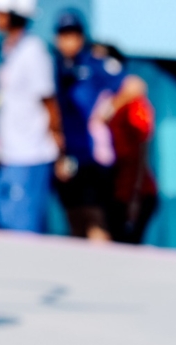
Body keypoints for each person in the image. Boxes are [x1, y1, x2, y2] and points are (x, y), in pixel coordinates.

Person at [0, 0, 64, 233]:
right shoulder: (11, 50)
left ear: (13, 15)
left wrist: (59, 148)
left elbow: (49, 102)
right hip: (11, 155)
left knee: (24, 235)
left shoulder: (33, 51)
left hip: (30, 156)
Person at [52, 8, 124, 241]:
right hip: (67, 158)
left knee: (95, 219)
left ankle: (104, 274)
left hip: (94, 158)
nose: (68, 40)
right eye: (63, 34)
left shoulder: (95, 64)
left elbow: (134, 85)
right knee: (75, 219)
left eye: (72, 33)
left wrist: (108, 110)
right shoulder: (55, 67)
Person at [97, 55, 158, 245]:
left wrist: (135, 198)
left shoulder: (135, 104)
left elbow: (142, 153)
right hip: (114, 188)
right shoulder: (107, 99)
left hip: (134, 192)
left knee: (129, 245)